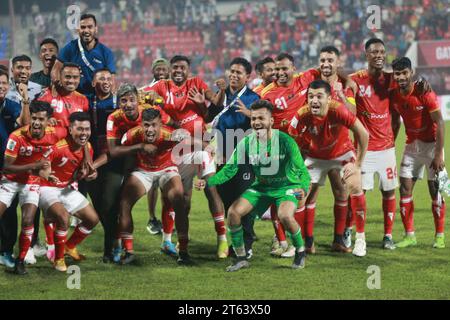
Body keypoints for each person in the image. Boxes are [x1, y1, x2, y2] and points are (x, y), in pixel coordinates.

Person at [206, 100, 310, 271]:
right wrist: (209, 181)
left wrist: (303, 189)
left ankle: (300, 251)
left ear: (271, 121)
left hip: (285, 187)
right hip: (261, 187)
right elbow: (230, 169)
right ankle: (240, 257)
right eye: (253, 118)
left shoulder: (285, 141)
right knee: (233, 213)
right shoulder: (246, 142)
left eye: (261, 118)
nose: (256, 122)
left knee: (285, 216)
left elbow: (303, 172)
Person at [143, 55, 228, 261]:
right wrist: (147, 99)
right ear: (170, 69)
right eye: (175, 67)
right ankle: (167, 241)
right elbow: (136, 95)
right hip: (173, 153)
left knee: (211, 188)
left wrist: (220, 90)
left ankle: (222, 239)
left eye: (182, 67)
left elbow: (215, 103)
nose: (178, 70)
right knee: (180, 201)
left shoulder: (196, 83)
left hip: (197, 150)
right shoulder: (162, 87)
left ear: (188, 70)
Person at [290, 80, 369, 256]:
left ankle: (357, 240)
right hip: (314, 156)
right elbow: (291, 141)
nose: (314, 101)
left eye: (319, 96)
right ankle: (304, 243)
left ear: (329, 98)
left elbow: (363, 133)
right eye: (310, 96)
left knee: (354, 185)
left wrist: (357, 165)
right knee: (300, 194)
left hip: (341, 153)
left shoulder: (338, 110)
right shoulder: (301, 115)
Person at [295, 46, 357, 254]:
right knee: (308, 195)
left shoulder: (346, 88)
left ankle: (338, 240)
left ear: (338, 62)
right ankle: (307, 241)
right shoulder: (310, 77)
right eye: (323, 60)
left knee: (341, 193)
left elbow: (353, 115)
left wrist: (343, 89)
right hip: (315, 152)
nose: (326, 64)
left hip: (339, 150)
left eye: (331, 60)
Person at [103, 83, 173, 263]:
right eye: (123, 100)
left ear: (138, 100)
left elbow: (171, 124)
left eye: (132, 99)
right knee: (120, 205)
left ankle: (167, 241)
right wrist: (141, 146)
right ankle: (121, 246)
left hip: (154, 162)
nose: (128, 104)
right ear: (118, 103)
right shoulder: (113, 118)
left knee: (172, 198)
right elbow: (113, 151)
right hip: (126, 162)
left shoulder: (149, 111)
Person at [0, 101, 66, 275]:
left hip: (31, 182)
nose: (36, 123)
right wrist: (33, 166)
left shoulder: (55, 135)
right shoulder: (17, 136)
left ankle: (20, 261)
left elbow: (76, 139)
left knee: (28, 219)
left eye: (41, 119)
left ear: (48, 121)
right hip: (9, 181)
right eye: (34, 118)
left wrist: (49, 173)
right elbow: (6, 167)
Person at [114, 108, 187, 264]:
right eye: (146, 125)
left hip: (166, 168)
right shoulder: (132, 135)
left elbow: (188, 141)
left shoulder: (170, 134)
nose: (150, 129)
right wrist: (139, 148)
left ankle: (180, 249)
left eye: (154, 125)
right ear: (141, 124)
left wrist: (205, 145)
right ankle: (129, 251)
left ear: (160, 124)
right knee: (124, 203)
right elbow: (119, 150)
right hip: (143, 171)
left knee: (178, 200)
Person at [206, 57, 260, 259]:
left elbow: (266, 124)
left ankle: (247, 245)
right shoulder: (223, 95)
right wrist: (218, 93)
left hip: (244, 157)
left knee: (243, 201)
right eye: (232, 71)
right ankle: (236, 244)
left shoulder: (254, 99)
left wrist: (250, 115)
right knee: (227, 201)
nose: (234, 75)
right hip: (221, 155)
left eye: (239, 73)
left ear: (247, 77)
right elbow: (209, 116)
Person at [390, 57, 446, 249]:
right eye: (397, 74)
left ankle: (439, 236)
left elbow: (440, 122)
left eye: (405, 73)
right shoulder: (394, 94)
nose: (401, 77)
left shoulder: (424, 92)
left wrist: (439, 155)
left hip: (432, 147)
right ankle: (410, 236)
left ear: (411, 72)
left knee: (435, 190)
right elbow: (395, 120)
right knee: (404, 189)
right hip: (411, 146)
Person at [39, 112, 99, 271]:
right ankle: (58, 259)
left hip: (66, 188)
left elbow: (83, 171)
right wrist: (47, 174)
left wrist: (90, 174)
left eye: (87, 129)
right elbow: (41, 166)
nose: (84, 133)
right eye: (79, 129)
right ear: (70, 129)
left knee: (92, 219)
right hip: (46, 187)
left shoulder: (88, 147)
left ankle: (69, 246)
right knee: (63, 218)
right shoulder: (58, 148)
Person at [0, 69, 30, 268]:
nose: (1, 87)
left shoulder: (11, 106)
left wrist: (26, 100)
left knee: (9, 212)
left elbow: (26, 126)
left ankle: (6, 252)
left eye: (3, 83)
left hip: (6, 169)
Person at [139, 58, 171, 236]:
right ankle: (152, 218)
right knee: (154, 181)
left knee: (170, 181)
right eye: (157, 68)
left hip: (170, 138)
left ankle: (168, 219)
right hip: (153, 139)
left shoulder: (173, 88)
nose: (160, 71)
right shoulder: (146, 90)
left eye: (163, 68)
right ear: (153, 71)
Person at [51, 13, 116, 97]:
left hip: (97, 99)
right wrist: (58, 86)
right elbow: (55, 70)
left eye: (90, 27)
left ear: (96, 29)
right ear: (78, 30)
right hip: (75, 99)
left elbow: (112, 81)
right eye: (83, 27)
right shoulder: (70, 48)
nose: (86, 30)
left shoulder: (106, 52)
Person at [38, 62, 89, 128]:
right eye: (67, 77)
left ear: (79, 79)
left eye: (75, 77)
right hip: (53, 137)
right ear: (60, 77)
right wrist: (46, 120)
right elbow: (36, 117)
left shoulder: (83, 99)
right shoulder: (47, 95)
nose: (71, 81)